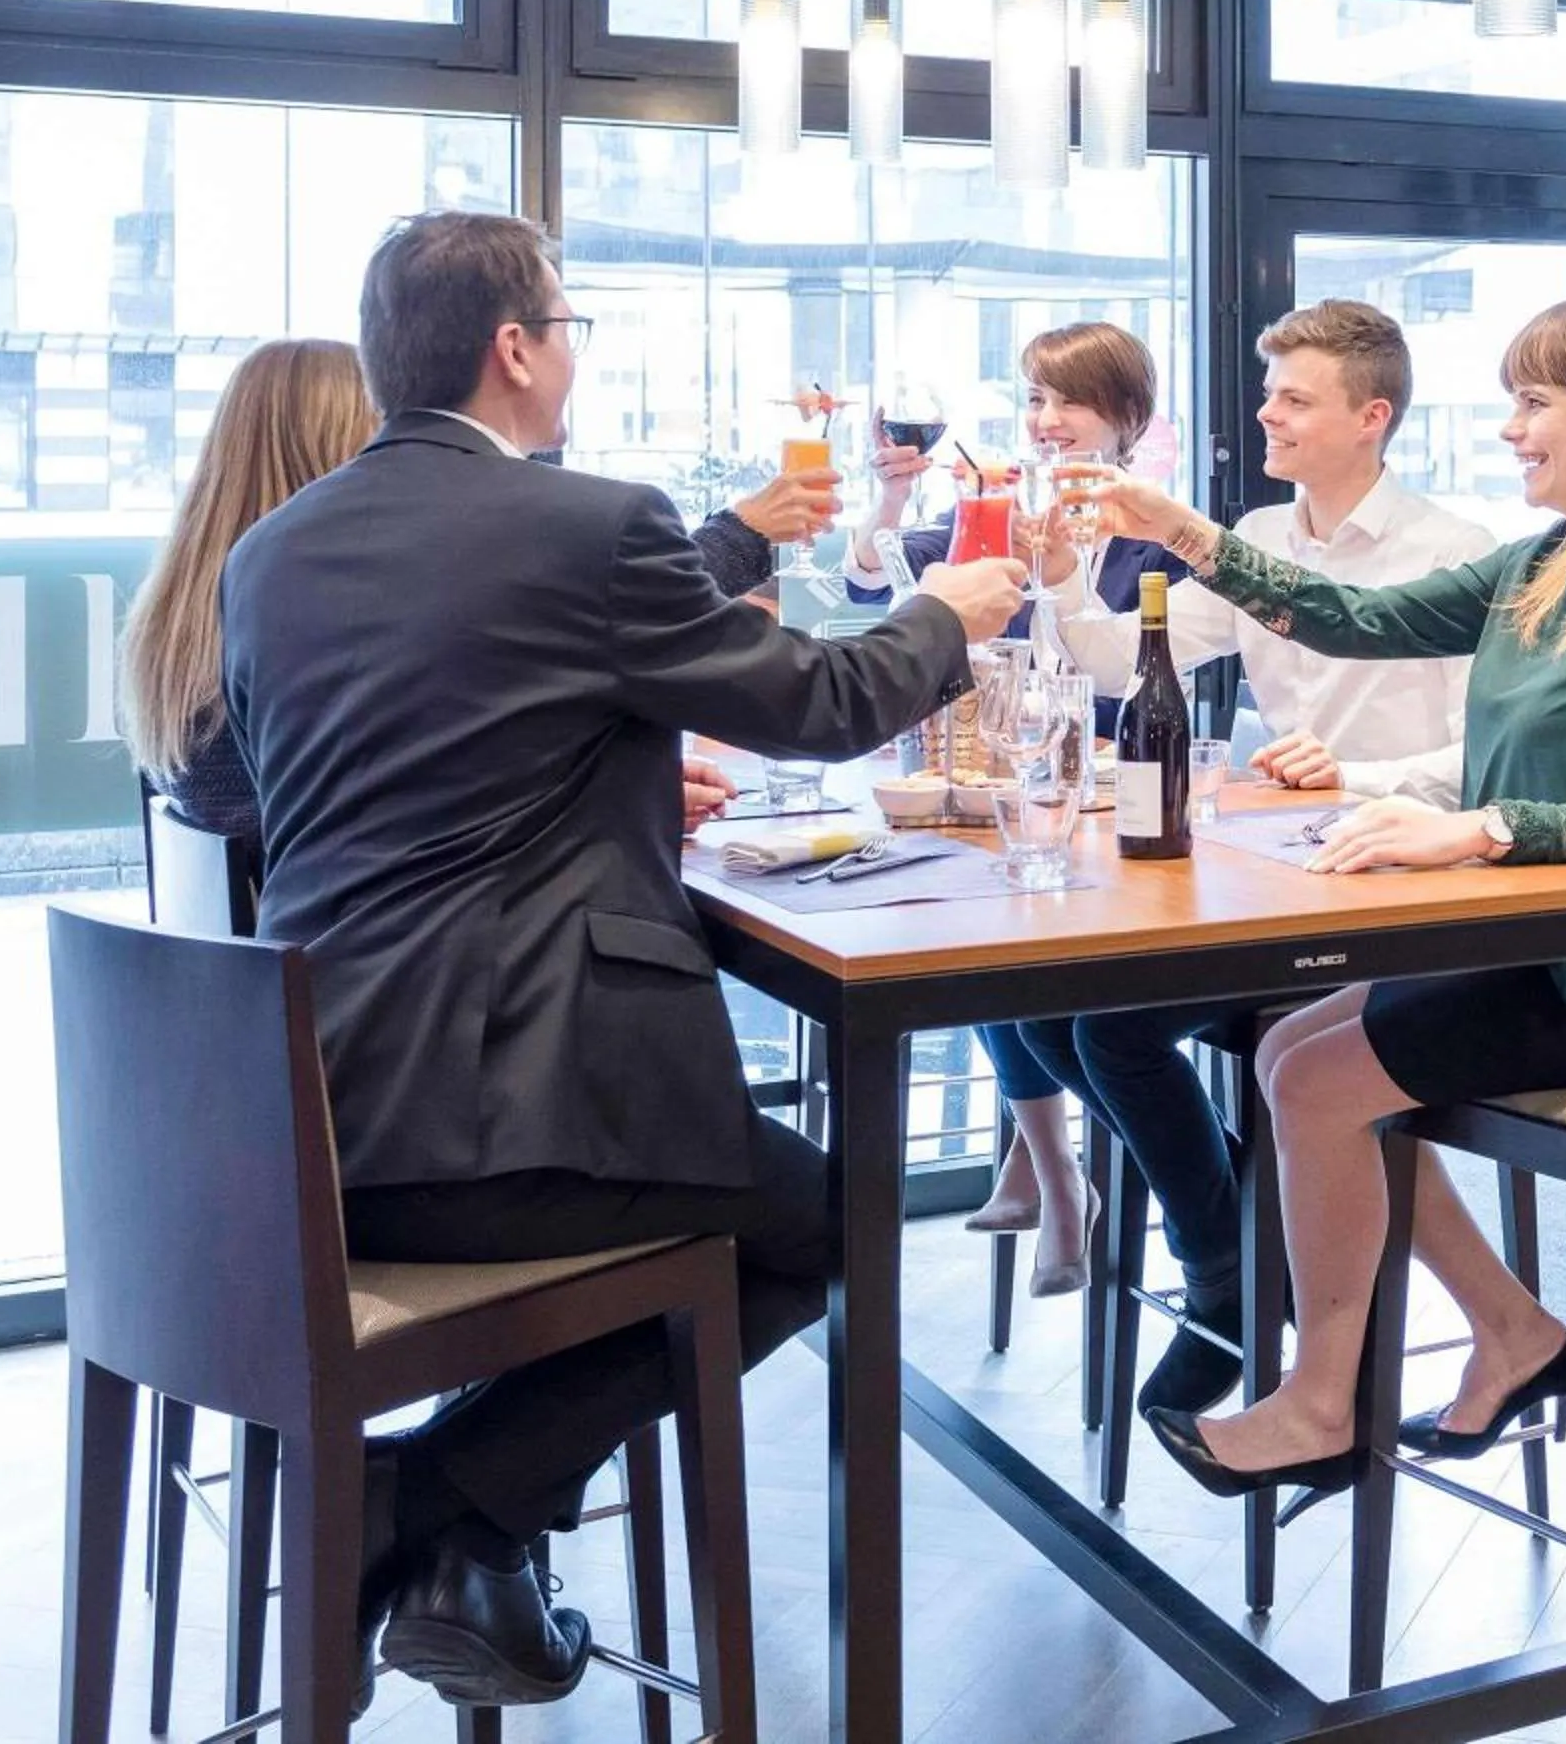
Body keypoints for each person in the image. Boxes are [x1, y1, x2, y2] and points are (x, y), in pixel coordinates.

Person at [219, 212, 1024, 1709]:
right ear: (515, 347)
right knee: (828, 1217)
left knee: (775, 1205)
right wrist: (948, 614)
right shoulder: (589, 523)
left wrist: (616, 776)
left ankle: (468, 1524)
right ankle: (441, 1497)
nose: (574, 353)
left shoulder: (274, 550)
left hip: (316, 1126)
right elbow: (830, 698)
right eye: (570, 325)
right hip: (515, 1121)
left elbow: (394, 770)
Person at [1069, 288, 1566, 1504]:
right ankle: (1512, 1337)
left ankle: (1321, 1404)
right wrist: (1185, 533)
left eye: (1534, 401)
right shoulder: (1541, 565)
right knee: (1297, 1052)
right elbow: (1349, 620)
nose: (1512, 428)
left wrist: (1480, 828)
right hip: (1558, 953)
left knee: (1311, 1075)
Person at [1044, 298, 1494, 1417]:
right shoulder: (1262, 543)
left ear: (1370, 418)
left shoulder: (1456, 554)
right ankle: (1248, 1220)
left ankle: (1226, 1281)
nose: (1267, 414)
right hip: (1278, 875)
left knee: (1110, 1023)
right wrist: (1058, 572)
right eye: (1270, 393)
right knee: (1033, 1011)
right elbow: (1118, 664)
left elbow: (1486, 752)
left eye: (1294, 398)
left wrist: (1358, 780)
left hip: (1395, 890)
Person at [123, 338, 842, 848]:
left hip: (289, 1001)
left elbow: (408, 795)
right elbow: (581, 611)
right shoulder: (341, 605)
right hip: (400, 1006)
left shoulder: (194, 616)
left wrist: (612, 792)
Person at [844, 321, 1186, 1300]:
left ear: (1125, 418)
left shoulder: (1162, 533)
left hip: (1121, 811)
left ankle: (1055, 1172)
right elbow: (878, 579)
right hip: (1015, 799)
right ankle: (1052, 1164)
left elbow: (1142, 675)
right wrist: (899, 493)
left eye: (1064, 401)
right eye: (1033, 400)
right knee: (988, 923)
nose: (1042, 422)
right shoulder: (998, 510)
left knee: (1011, 934)